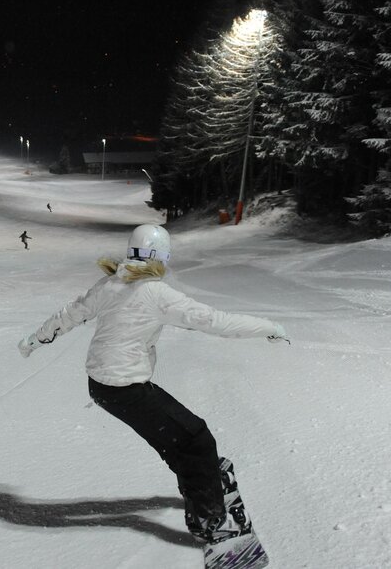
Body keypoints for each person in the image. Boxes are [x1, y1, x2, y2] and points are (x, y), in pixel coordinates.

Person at [17, 224, 289, 545]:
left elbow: (69, 315)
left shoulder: (110, 284)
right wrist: (269, 327)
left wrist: (35, 340)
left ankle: (203, 482)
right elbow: (216, 322)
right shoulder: (155, 293)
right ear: (162, 257)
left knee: (178, 440)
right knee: (197, 439)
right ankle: (210, 520)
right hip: (124, 387)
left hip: (104, 386)